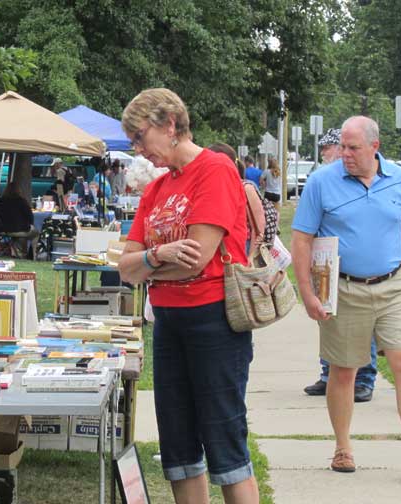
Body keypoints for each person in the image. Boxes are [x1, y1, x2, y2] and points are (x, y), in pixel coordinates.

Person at [118, 88, 259, 503]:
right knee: (178, 445)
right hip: (168, 322)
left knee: (225, 440)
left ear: (171, 125)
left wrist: (147, 266)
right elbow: (125, 268)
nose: (139, 150)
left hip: (212, 319)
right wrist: (159, 254)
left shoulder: (215, 169)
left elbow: (197, 259)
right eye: (133, 142)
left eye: (141, 137)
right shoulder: (157, 189)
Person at [292, 115, 401, 479]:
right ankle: (343, 447)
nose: (345, 154)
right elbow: (301, 239)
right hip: (342, 288)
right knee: (343, 370)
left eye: (353, 148)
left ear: (374, 147)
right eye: (342, 146)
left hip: (392, 286)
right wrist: (308, 292)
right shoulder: (321, 182)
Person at [303, 127, 377, 403]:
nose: (325, 153)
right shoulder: (322, 181)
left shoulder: (362, 180)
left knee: (362, 324)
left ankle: (364, 378)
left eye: (327, 148)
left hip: (358, 269)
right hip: (326, 261)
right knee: (327, 318)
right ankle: (328, 374)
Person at [209, 143, 266, 255]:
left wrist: (251, 257)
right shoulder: (212, 188)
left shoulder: (245, 188)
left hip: (244, 247)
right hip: (222, 251)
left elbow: (258, 226)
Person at [0, 180, 38, 258]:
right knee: (36, 233)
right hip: (20, 229)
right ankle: (33, 254)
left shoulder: (1, 202)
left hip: (4, 229)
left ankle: (17, 251)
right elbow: (30, 217)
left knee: (21, 235)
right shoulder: (22, 201)